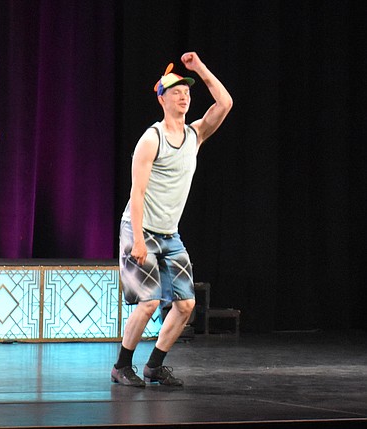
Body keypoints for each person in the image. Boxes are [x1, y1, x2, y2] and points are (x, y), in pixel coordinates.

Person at [111, 52, 232, 387]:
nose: (184, 96)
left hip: (169, 233)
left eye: (187, 92)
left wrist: (199, 69)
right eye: (177, 91)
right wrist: (137, 239)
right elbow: (137, 193)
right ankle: (122, 365)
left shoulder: (195, 136)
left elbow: (225, 102)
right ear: (162, 98)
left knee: (185, 304)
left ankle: (154, 365)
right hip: (141, 229)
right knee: (149, 302)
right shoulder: (152, 138)